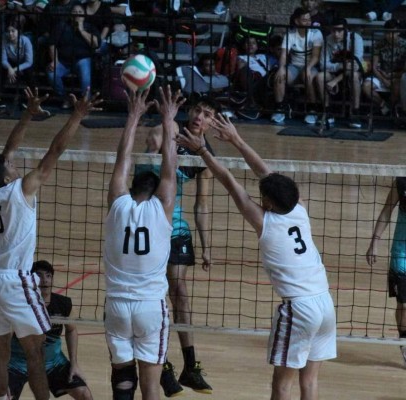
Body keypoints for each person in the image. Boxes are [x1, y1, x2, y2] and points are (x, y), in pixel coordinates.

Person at [176, 113, 336, 400]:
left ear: (269, 203)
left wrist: (201, 150)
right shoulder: (299, 209)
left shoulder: (265, 223)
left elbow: (227, 180)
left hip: (299, 309)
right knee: (309, 382)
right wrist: (236, 139)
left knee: (282, 386)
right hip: (325, 303)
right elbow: (268, 174)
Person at [0, 86, 101, 400]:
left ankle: (1, 398)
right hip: (16, 280)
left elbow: (6, 154)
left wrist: (27, 115)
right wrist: (77, 115)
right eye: (11, 168)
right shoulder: (21, 190)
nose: (15, 165)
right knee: (36, 351)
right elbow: (53, 153)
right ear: (7, 177)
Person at [137, 95, 217, 397]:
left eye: (207, 114)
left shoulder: (205, 156)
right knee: (157, 294)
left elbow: (202, 205)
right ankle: (163, 365)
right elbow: (149, 151)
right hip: (151, 223)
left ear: (211, 123)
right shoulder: (164, 133)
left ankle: (190, 366)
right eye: (198, 110)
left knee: (180, 291)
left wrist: (207, 245)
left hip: (177, 226)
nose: (200, 116)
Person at [103, 85, 181, 400]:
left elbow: (122, 159)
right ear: (156, 191)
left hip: (116, 306)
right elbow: (170, 168)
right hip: (150, 307)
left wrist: (133, 117)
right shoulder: (162, 209)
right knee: (150, 389)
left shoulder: (117, 205)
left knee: (122, 381)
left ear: (132, 186)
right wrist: (168, 120)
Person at [8, 260, 93, 400]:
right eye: (40, 276)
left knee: (85, 394)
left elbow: (71, 330)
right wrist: (3, 371)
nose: (45, 280)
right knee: (3, 397)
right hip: (18, 363)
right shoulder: (19, 305)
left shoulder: (63, 304)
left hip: (53, 363)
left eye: (48, 276)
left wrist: (74, 364)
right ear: (31, 279)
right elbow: (6, 338)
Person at [366, 177, 406, 365]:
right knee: (404, 305)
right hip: (402, 253)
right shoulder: (402, 181)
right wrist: (375, 242)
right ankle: (405, 341)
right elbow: (386, 211)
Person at [271, 7, 323, 125]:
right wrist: (281, 68)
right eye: (304, 20)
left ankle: (312, 110)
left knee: (307, 76)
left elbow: (316, 56)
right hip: (294, 66)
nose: (308, 22)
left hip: (311, 66)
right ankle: (279, 109)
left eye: (309, 19)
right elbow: (284, 54)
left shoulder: (316, 33)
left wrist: (308, 68)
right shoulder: (290, 34)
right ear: (297, 21)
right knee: (279, 76)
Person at [47, 4, 101, 109]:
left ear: (84, 16)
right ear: (70, 15)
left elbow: (95, 44)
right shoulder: (62, 26)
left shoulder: (89, 27)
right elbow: (52, 44)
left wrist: (81, 30)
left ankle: (86, 102)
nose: (77, 15)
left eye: (80, 12)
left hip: (82, 59)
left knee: (85, 75)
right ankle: (66, 98)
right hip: (63, 61)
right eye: (75, 12)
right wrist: (54, 60)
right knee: (51, 73)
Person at [315, 17, 364, 128]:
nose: (336, 34)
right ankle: (327, 112)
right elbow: (323, 64)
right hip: (335, 70)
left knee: (355, 76)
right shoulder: (328, 40)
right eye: (333, 30)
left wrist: (335, 81)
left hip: (352, 72)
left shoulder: (356, 39)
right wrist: (339, 66)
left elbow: (354, 65)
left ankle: (355, 113)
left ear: (346, 30)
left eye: (339, 31)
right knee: (320, 76)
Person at [362, 19, 406, 119]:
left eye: (393, 32)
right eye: (387, 33)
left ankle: (390, 108)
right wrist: (384, 79)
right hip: (380, 74)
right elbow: (373, 66)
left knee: (397, 87)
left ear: (398, 32)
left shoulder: (405, 45)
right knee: (366, 86)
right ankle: (384, 105)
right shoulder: (379, 44)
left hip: (397, 75)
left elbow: (405, 69)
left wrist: (393, 75)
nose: (390, 35)